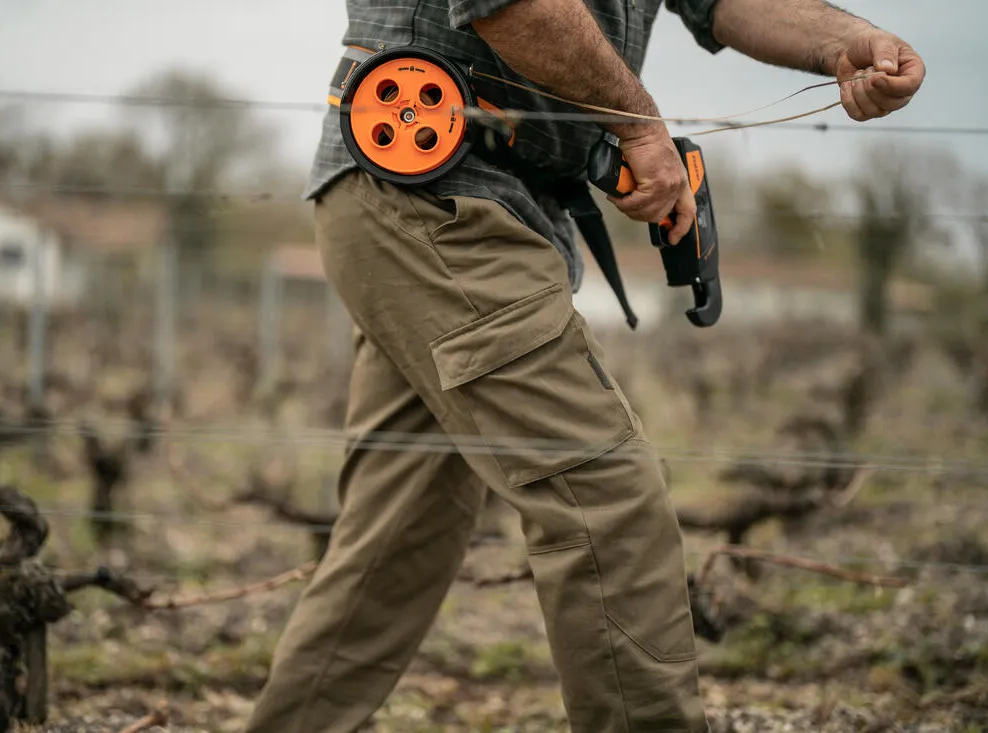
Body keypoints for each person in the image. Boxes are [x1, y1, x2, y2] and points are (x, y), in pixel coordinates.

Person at [244, 1, 925, 731]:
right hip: (431, 193)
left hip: (468, 206)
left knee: (401, 533)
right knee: (607, 499)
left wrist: (848, 43)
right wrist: (638, 127)